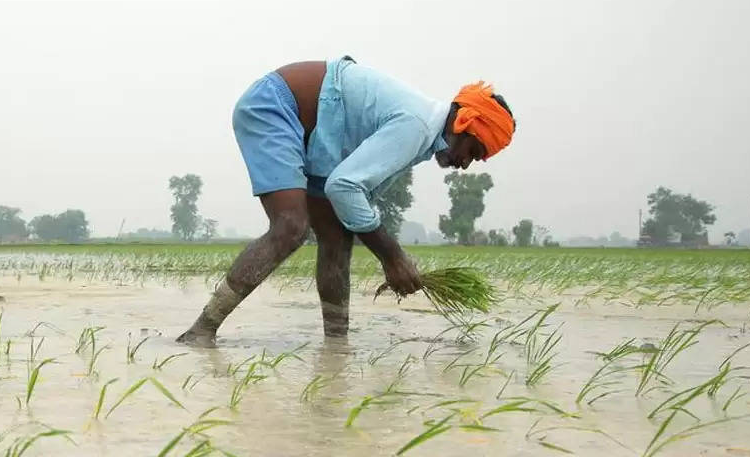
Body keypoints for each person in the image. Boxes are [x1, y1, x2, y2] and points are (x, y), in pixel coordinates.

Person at [177, 57, 515, 346]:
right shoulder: (416, 125)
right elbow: (344, 187)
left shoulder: (423, 135)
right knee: (291, 227)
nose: (465, 164)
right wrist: (392, 256)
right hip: (276, 107)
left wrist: (390, 254)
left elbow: (352, 193)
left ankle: (336, 345)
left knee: (337, 236)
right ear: (463, 123)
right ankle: (201, 331)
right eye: (473, 151)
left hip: (320, 137)